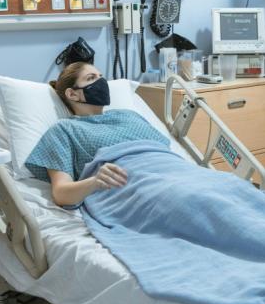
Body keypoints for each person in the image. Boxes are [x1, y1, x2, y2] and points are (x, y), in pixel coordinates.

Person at [25, 62, 170, 207]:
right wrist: (94, 181)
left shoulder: (129, 115)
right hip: (136, 187)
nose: (101, 82)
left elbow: (166, 150)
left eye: (101, 77)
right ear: (72, 94)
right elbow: (61, 194)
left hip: (173, 171)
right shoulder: (64, 129)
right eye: (91, 78)